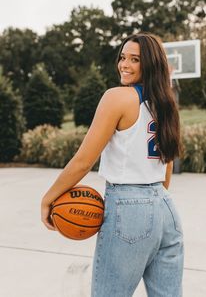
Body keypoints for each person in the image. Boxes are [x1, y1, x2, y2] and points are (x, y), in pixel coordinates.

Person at [41, 32, 184, 297]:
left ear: (150, 64)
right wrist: (153, 203)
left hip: (129, 209)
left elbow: (84, 160)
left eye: (135, 59)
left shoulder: (118, 97)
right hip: (166, 209)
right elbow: (167, 166)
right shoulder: (166, 104)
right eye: (122, 57)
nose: (124, 65)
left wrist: (48, 198)